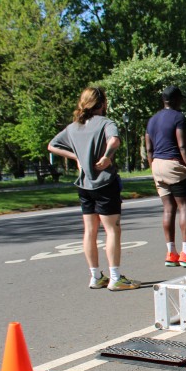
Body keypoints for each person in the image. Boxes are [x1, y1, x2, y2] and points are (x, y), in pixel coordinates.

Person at [48, 87, 140, 291]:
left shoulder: (73, 127)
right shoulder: (106, 123)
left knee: (90, 230)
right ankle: (115, 277)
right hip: (105, 182)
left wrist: (77, 157)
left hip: (84, 184)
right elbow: (114, 140)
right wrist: (107, 156)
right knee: (112, 229)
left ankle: (96, 276)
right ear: (103, 103)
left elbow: (52, 146)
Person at [145, 85, 186, 268]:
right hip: (173, 163)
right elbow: (183, 146)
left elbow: (149, 149)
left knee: (168, 209)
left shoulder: (152, 120)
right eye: (180, 99)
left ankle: (171, 253)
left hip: (157, 164)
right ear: (175, 100)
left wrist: (154, 169)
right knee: (185, 207)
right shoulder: (178, 117)